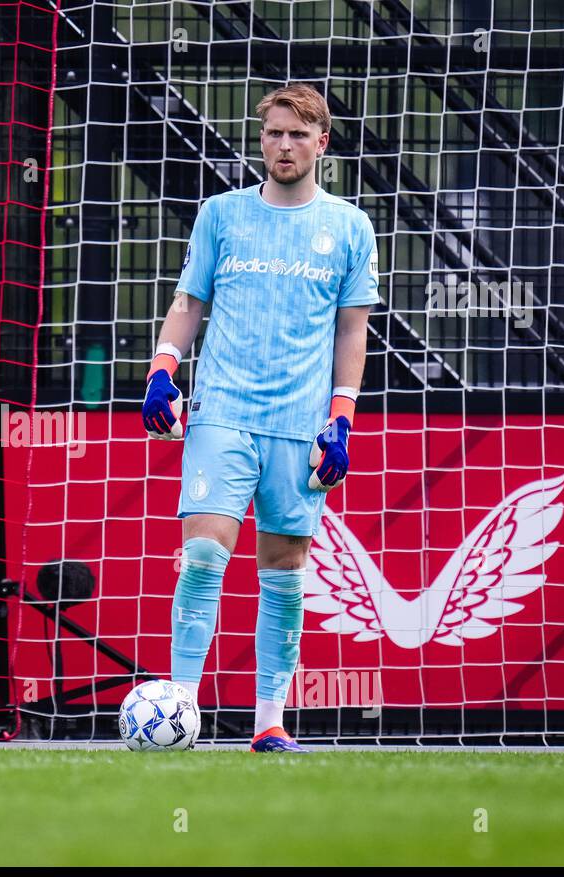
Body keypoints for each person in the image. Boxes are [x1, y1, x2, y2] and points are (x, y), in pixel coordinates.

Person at [142, 83, 378, 753]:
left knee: (283, 569)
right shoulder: (221, 215)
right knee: (204, 554)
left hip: (301, 425)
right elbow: (189, 302)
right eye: (273, 132)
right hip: (222, 412)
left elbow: (351, 333)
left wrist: (341, 419)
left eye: (297, 135)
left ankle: (269, 721)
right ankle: (179, 711)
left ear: (321, 143)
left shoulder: (350, 227)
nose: (282, 144)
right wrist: (163, 365)